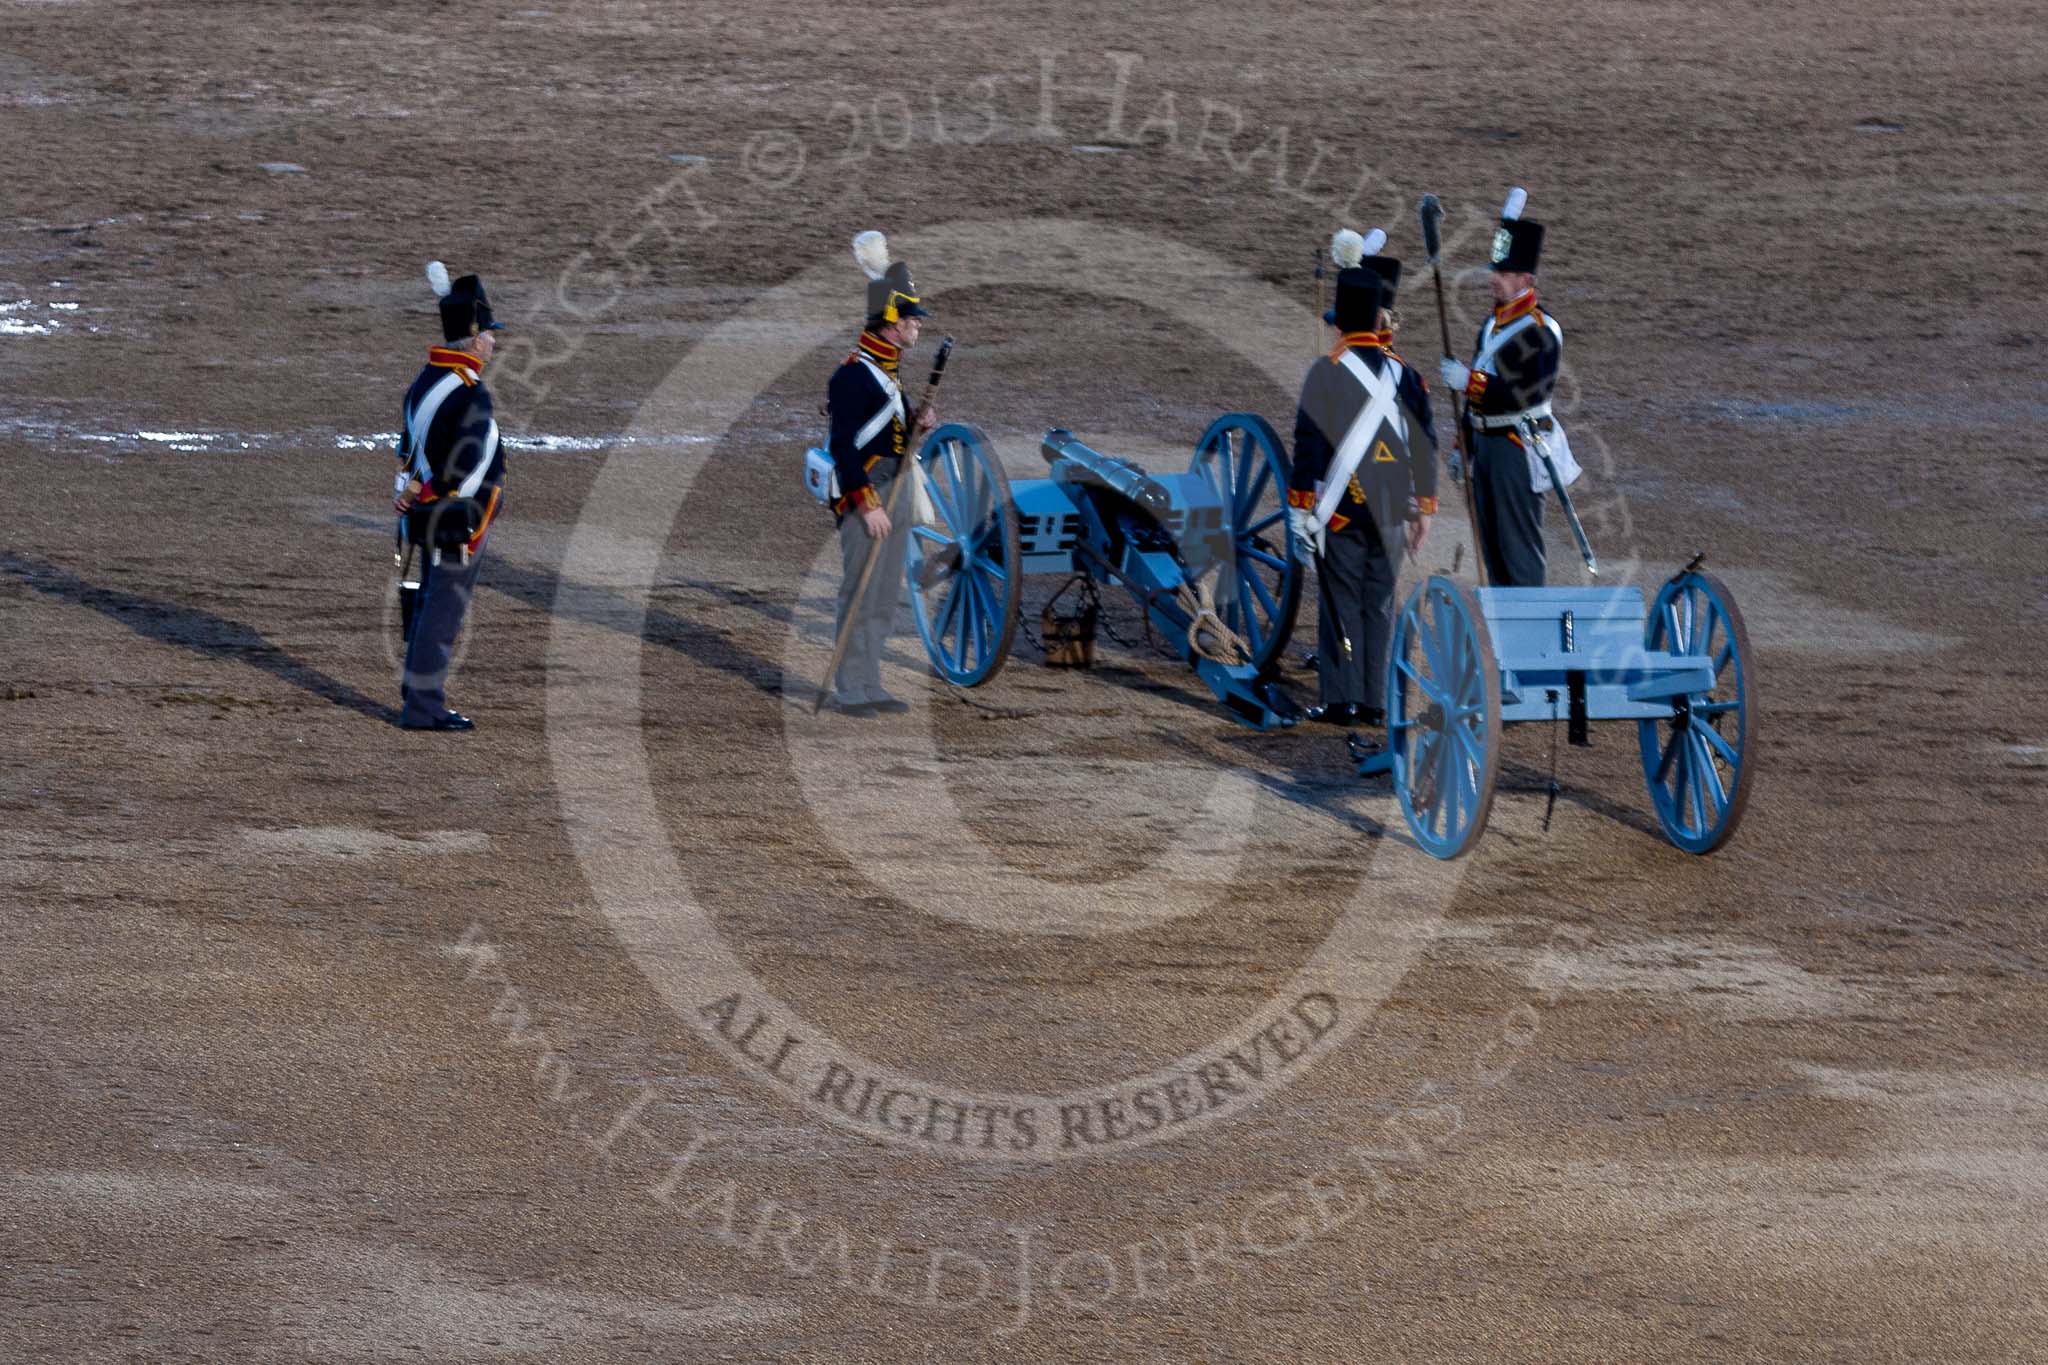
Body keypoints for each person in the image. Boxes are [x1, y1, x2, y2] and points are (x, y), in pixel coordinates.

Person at [1287, 246, 1438, 727]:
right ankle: (1375, 702)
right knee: (1378, 605)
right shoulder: (1407, 376)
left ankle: (1338, 701)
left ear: (1339, 324)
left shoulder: (1325, 373)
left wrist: (1300, 510)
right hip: (1393, 510)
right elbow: (1424, 446)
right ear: (1377, 319)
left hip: (1343, 510)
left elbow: (1307, 446)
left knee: (1341, 605)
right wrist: (1427, 509)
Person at [1437, 188, 1576, 587]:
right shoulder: (1490, 325)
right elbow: (1476, 403)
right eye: (1494, 272)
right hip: (1486, 450)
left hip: (1517, 448)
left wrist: (1470, 381)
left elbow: (1525, 395)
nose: (1493, 279)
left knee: (1519, 554)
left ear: (1526, 279)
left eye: (1502, 273)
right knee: (1492, 553)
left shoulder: (1540, 330)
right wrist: (1461, 443)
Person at [823, 230, 936, 716]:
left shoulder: (887, 370)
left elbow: (887, 435)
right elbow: (844, 447)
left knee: (885, 592)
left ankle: (870, 683)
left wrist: (916, 426)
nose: (916, 327)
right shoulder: (853, 374)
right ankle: (850, 687)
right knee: (860, 590)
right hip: (867, 496)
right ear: (891, 322)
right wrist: (866, 505)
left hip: (895, 488)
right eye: (911, 320)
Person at [392, 261, 506, 732]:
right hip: (459, 518)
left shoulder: (426, 379)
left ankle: (418, 697)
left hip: (425, 512)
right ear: (475, 339)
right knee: (442, 610)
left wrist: (415, 492)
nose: (495, 342)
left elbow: (406, 446)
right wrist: (438, 492)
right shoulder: (470, 392)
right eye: (490, 334)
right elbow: (464, 464)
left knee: (429, 603)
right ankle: (423, 706)